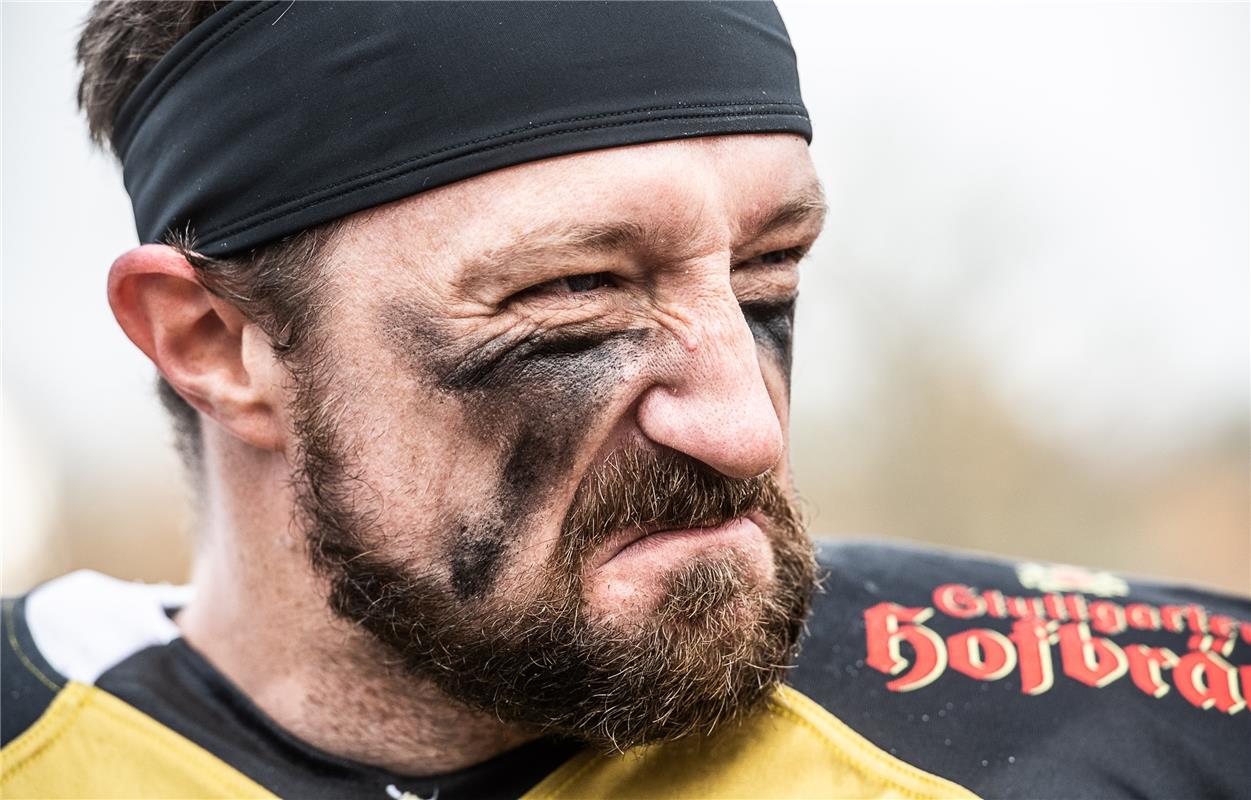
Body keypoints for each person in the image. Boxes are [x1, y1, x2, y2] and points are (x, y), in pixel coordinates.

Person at [2, 3, 1247, 798]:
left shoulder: (1142, 729)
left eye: (770, 271)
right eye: (577, 293)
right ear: (214, 340)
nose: (746, 425)